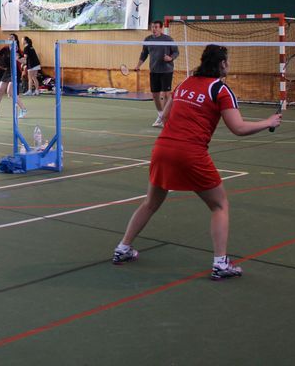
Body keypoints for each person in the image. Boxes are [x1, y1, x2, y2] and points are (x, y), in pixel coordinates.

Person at [112, 45, 281, 280]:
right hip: (190, 153)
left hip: (162, 149)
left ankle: (123, 248)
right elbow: (239, 128)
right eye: (227, 62)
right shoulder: (220, 90)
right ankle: (220, 264)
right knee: (219, 205)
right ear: (222, 64)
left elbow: (164, 116)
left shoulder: (185, 84)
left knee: (150, 202)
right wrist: (268, 122)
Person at [134, 20, 179, 127]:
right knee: (155, 95)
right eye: (152, 27)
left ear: (161, 28)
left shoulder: (168, 39)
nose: (154, 29)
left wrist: (170, 58)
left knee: (166, 94)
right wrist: (138, 65)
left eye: (156, 27)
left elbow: (176, 52)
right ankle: (160, 115)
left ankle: (166, 117)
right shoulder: (148, 39)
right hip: (154, 70)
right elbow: (144, 54)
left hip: (166, 70)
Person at [0, 34, 27, 119]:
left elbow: (24, 61)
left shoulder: (18, 51)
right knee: (0, 91)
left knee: (10, 92)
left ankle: (23, 109)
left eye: (12, 37)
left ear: (15, 40)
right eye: (9, 37)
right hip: (8, 71)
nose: (10, 38)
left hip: (16, 71)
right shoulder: (5, 49)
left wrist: (18, 59)